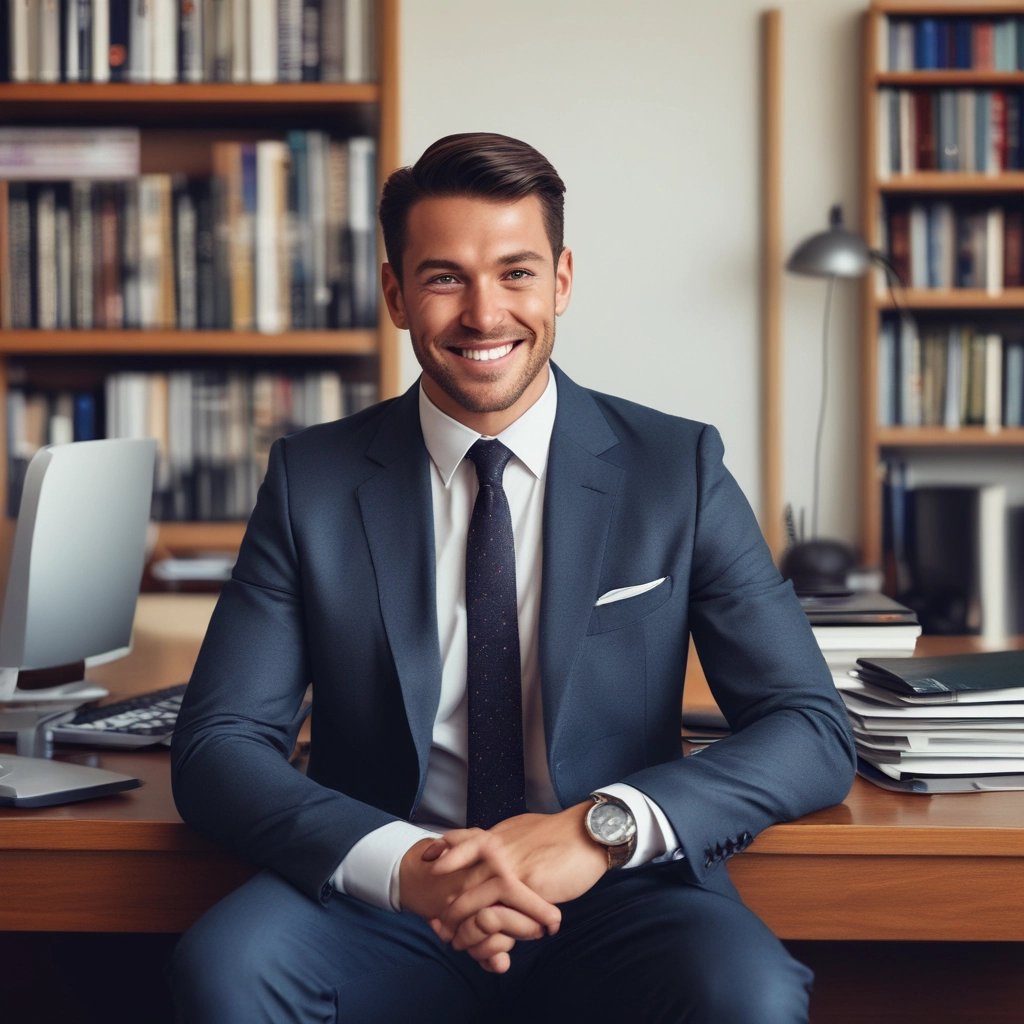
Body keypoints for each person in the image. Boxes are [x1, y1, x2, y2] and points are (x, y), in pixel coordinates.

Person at [170, 132, 855, 1023]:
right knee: (225, 973)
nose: (485, 315)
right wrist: (400, 865)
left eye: (517, 273)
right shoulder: (314, 480)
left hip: (621, 889)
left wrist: (598, 828)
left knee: (750, 996)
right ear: (396, 294)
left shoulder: (674, 467)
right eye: (445, 276)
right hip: (387, 894)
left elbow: (810, 728)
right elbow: (217, 744)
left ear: (562, 280)